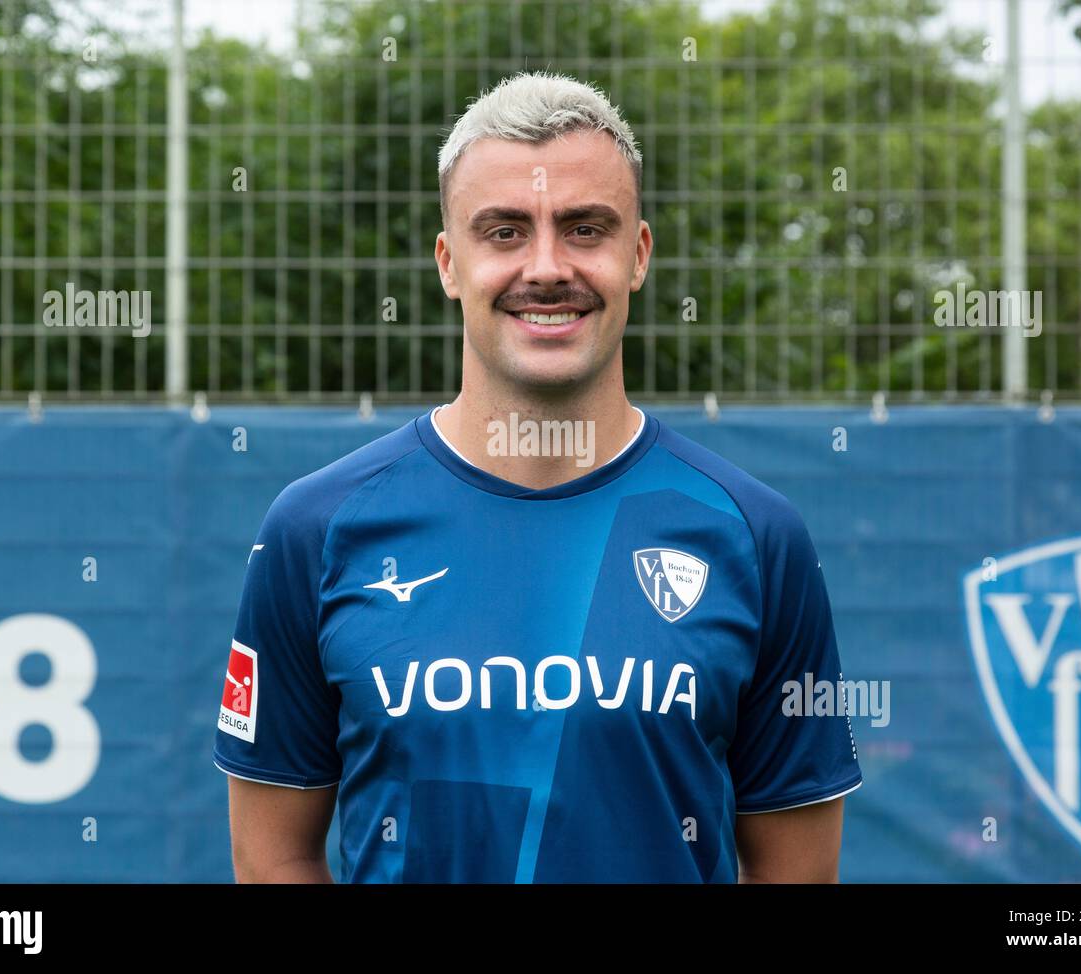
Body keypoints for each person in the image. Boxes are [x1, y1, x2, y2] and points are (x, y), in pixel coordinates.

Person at [213, 70, 861, 883]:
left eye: (586, 229)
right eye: (506, 232)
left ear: (639, 255)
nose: (547, 266)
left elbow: (795, 872)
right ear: (449, 263)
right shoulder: (315, 529)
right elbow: (272, 857)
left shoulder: (756, 537)